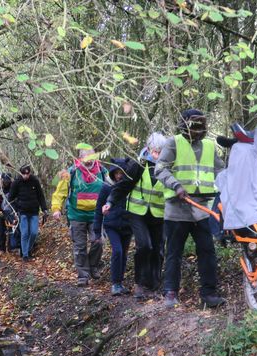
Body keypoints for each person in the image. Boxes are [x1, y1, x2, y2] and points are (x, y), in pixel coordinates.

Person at [156, 109, 226, 308]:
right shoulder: (173, 142)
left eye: (200, 125)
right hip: (177, 207)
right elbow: (160, 168)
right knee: (174, 252)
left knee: (207, 250)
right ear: (184, 124)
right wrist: (176, 185)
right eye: (193, 125)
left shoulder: (210, 146)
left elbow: (220, 171)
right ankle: (170, 292)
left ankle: (209, 293)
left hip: (202, 207)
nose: (197, 129)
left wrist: (230, 187)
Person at [104, 133, 167, 298]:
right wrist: (110, 202)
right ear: (148, 149)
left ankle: (153, 286)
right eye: (155, 151)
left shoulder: (168, 166)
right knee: (144, 246)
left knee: (158, 249)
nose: (157, 155)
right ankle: (140, 285)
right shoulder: (138, 164)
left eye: (160, 152)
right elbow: (124, 185)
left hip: (158, 214)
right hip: (137, 212)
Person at [51, 148, 108, 286]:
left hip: (96, 215)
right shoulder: (70, 172)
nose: (89, 161)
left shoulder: (103, 171)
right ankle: (83, 275)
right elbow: (59, 193)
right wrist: (56, 209)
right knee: (80, 247)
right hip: (76, 215)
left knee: (98, 242)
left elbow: (111, 189)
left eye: (91, 157)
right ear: (80, 158)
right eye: (86, 158)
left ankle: (93, 266)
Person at [94, 159, 132, 295]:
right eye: (116, 173)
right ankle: (115, 284)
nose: (118, 176)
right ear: (112, 173)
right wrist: (96, 232)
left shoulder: (130, 186)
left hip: (128, 225)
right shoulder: (106, 187)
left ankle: (120, 283)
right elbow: (99, 209)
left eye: (121, 173)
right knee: (118, 251)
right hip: (112, 225)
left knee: (124, 254)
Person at [8, 165, 48, 260]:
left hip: (34, 211)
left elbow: (40, 196)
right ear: (20, 173)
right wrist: (15, 209)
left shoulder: (35, 181)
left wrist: (44, 209)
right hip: (23, 212)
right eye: (23, 174)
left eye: (27, 174)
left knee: (34, 232)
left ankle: (28, 249)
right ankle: (25, 254)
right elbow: (10, 198)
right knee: (25, 233)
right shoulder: (16, 182)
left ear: (30, 173)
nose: (25, 176)